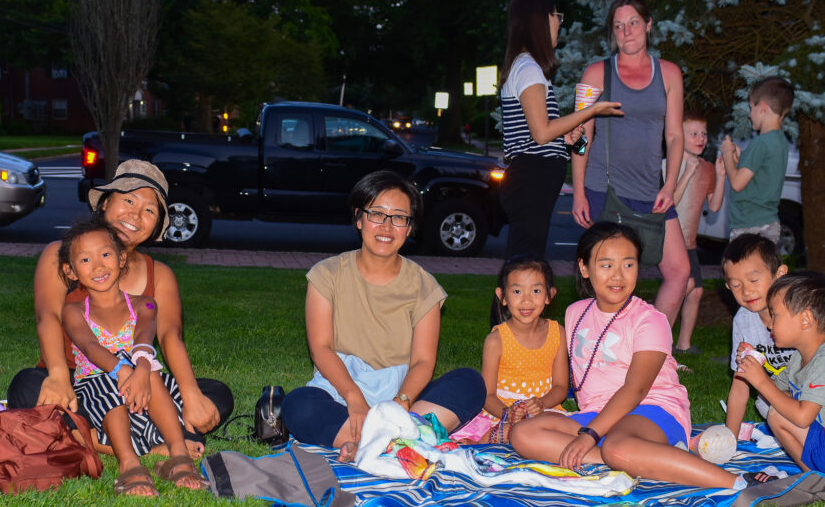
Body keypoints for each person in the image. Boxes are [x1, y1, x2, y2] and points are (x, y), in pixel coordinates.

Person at [510, 221, 775, 489]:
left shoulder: (650, 320)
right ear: (584, 268)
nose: (618, 275)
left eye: (628, 264)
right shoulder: (575, 313)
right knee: (523, 433)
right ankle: (636, 459)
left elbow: (636, 389)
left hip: (651, 409)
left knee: (618, 445)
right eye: (606, 265)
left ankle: (738, 482)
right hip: (596, 413)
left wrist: (589, 434)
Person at [6, 160, 233, 453]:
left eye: (149, 210)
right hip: (79, 382)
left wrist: (191, 396)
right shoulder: (61, 255)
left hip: (142, 380)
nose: (135, 215)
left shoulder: (160, 275)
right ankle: (146, 442)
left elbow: (170, 336)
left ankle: (96, 434)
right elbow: (47, 316)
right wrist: (59, 375)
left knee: (217, 394)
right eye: (128, 200)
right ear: (105, 203)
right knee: (25, 388)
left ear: (156, 225)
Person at [280, 170, 485, 458]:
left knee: (470, 382)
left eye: (399, 217)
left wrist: (401, 403)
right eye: (377, 214)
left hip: (402, 393)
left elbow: (423, 361)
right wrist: (354, 398)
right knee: (297, 404)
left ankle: (371, 442)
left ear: (409, 227)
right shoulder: (327, 275)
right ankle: (402, 440)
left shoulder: (424, 286)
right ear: (359, 218)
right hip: (341, 388)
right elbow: (321, 349)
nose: (387, 227)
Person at [59, 217, 206, 494]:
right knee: (107, 386)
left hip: (144, 386)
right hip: (96, 385)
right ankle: (130, 464)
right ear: (71, 271)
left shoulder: (145, 303)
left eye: (105, 254)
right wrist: (123, 371)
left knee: (153, 374)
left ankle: (178, 455)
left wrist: (140, 369)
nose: (98, 266)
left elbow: (145, 335)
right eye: (86, 260)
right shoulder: (73, 311)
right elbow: (90, 347)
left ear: (121, 258)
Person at [570, 0, 689, 327]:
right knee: (608, 279)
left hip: (652, 190)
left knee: (679, 271)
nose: (626, 31)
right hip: (604, 190)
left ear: (648, 25)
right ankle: (604, 344)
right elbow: (581, 136)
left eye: (633, 23)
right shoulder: (596, 73)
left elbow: (675, 136)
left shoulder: (669, 73)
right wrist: (579, 192)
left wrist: (670, 186)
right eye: (619, 26)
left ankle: (654, 349)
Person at [499, 0, 622, 259]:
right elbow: (541, 133)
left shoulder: (528, 68)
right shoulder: (529, 69)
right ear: (541, 20)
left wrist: (565, 137)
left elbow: (539, 134)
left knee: (525, 260)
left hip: (531, 178)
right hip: (530, 179)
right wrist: (591, 110)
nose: (559, 23)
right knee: (524, 263)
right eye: (557, 16)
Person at [737, 272, 825, 472]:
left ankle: (814, 477)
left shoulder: (823, 360)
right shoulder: (798, 358)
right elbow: (775, 392)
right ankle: (815, 477)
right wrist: (754, 365)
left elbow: (802, 418)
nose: (769, 324)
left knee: (778, 414)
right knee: (779, 405)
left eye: (774, 315)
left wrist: (761, 381)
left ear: (805, 319)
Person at [478, 255, 568, 443]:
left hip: (544, 411)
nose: (527, 300)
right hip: (504, 414)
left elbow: (560, 388)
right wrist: (508, 413)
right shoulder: (496, 341)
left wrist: (541, 404)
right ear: (502, 296)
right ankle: (483, 444)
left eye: (536, 291)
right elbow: (487, 395)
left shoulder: (558, 333)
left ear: (549, 295)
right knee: (509, 432)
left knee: (568, 431)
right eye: (517, 291)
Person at [722, 234, 793, 438]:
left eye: (753, 280)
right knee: (764, 404)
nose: (747, 291)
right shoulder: (743, 320)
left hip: (815, 389)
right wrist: (730, 439)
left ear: (779, 274)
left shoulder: (799, 310)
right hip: (780, 395)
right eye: (736, 285)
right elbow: (740, 386)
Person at [671, 112, 726, 355]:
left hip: (689, 243)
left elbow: (714, 206)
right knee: (686, 285)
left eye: (703, 134)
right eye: (693, 134)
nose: (701, 138)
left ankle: (683, 345)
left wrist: (721, 176)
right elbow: (668, 203)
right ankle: (655, 340)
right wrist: (687, 173)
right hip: (670, 240)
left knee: (696, 291)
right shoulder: (670, 164)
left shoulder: (707, 168)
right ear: (680, 136)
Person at [720, 76, 794, 243]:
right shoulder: (779, 141)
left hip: (748, 225)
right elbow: (762, 168)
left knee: (739, 262)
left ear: (762, 108)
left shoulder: (760, 143)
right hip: (770, 224)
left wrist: (727, 155)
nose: (750, 113)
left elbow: (737, 183)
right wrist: (741, 156)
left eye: (751, 107)